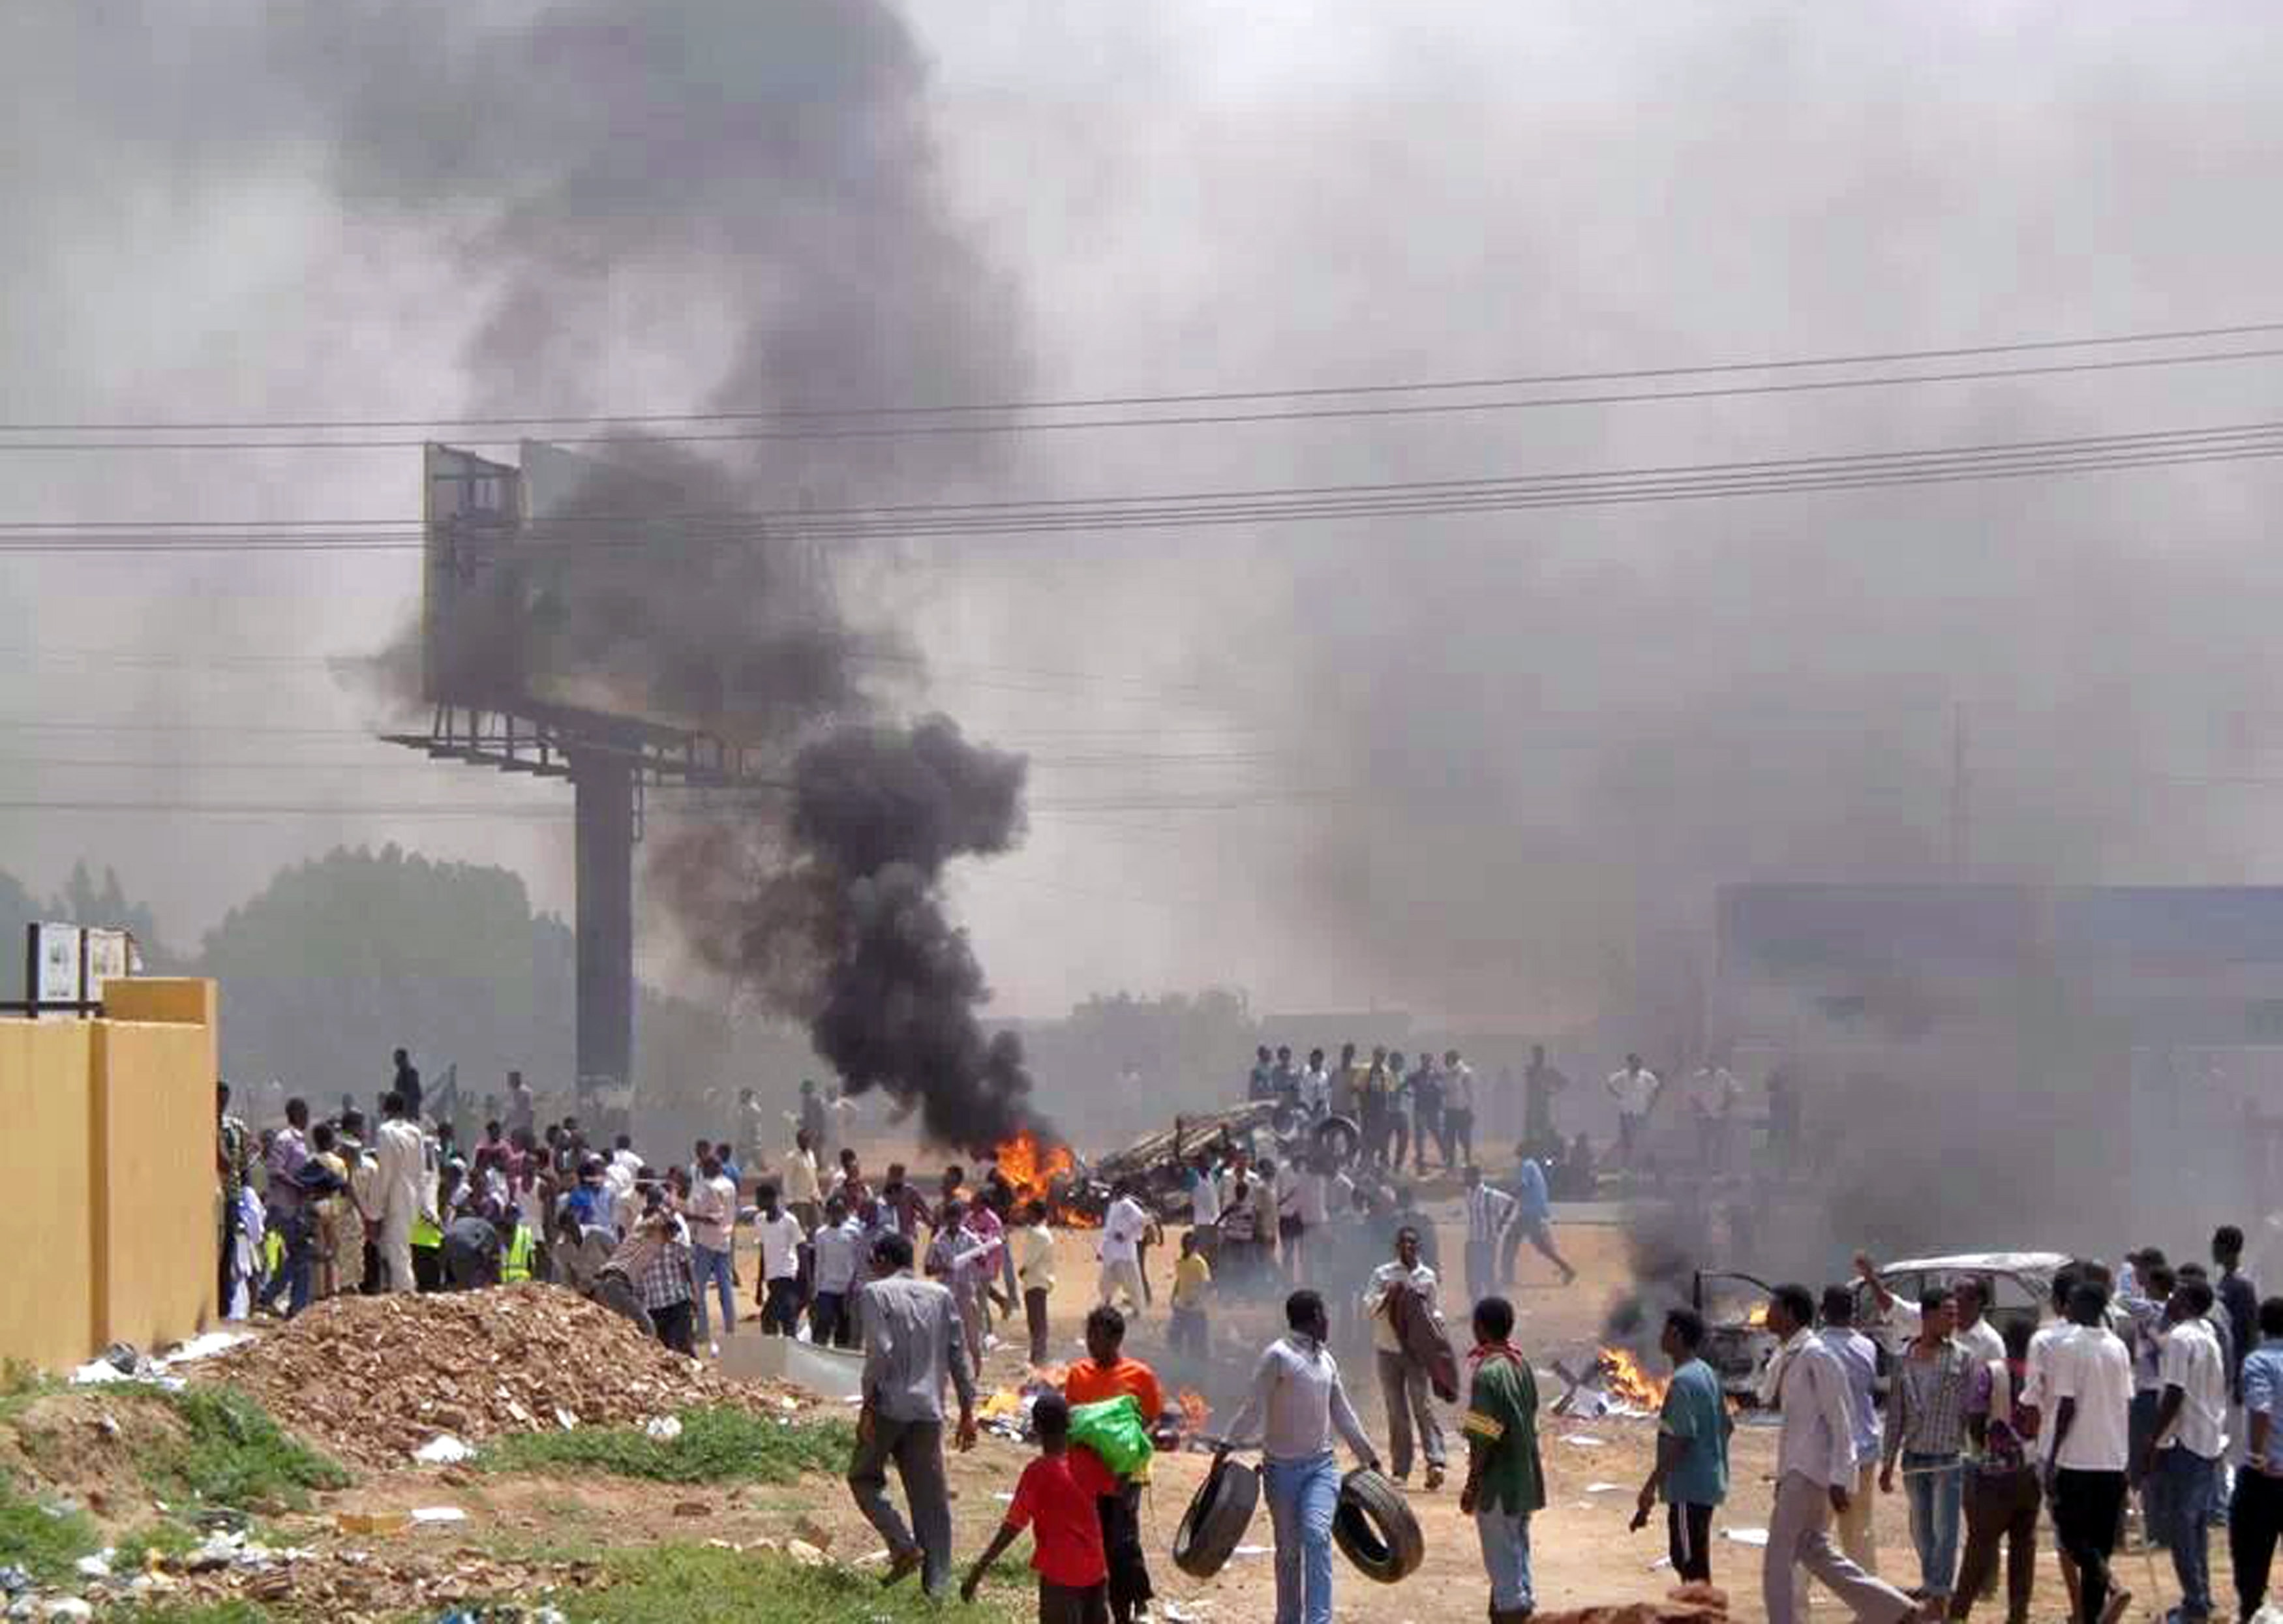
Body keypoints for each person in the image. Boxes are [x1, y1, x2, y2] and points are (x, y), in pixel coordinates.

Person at [1217, 1290, 1382, 1624]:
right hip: (1280, 1471)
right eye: (1325, 1315)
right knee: (1289, 1551)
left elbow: (1344, 1414)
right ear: (1314, 1318)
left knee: (1317, 1536)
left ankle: (1319, 1620)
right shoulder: (1277, 1357)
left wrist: (1369, 1457)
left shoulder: (1327, 1361)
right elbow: (1253, 1407)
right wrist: (1226, 1445)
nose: (1329, 1322)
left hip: (1321, 1467)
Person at [1760, 1282, 1919, 1624]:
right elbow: (1769, 1399)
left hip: (1811, 1473)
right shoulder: (1792, 1354)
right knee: (1815, 1552)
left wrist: (1840, 1476)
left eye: (1772, 1308)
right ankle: (1895, 1610)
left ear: (1789, 1313)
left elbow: (1841, 1418)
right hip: (1799, 1471)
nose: (1766, 1315)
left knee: (1778, 1561)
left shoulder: (1817, 1354)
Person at [850, 1232, 977, 1597]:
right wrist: (968, 1411)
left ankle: (903, 1546)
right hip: (929, 1411)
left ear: (885, 1261)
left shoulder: (875, 1293)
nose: (872, 1268)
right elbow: (958, 1356)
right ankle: (937, 1590)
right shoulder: (940, 1295)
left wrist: (868, 1405)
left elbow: (881, 1352)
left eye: (874, 1261)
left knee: (862, 1477)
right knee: (931, 1501)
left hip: (889, 1405)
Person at [961, 1391, 1117, 1622]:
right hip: (1096, 1570)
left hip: (1060, 1576)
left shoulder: (1038, 1473)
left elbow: (1013, 1525)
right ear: (1070, 1424)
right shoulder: (1088, 1461)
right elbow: (1117, 1489)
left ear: (1035, 1428)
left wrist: (979, 1568)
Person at [1065, 1307, 1164, 1624]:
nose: (1092, 1342)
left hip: (1126, 1472)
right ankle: (1118, 1602)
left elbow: (1150, 1420)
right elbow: (1075, 1422)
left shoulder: (1140, 1375)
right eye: (1089, 1335)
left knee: (1122, 1538)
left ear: (1116, 1339)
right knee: (1099, 1538)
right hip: (1088, 1474)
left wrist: (1131, 1454)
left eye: (1098, 1336)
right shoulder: (1077, 1375)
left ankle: (1133, 1603)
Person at [2046, 1279, 2134, 1624]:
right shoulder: (2118, 1348)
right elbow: (2123, 1404)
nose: (2068, 1308)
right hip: (2112, 1458)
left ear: (2085, 1307)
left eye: (2074, 1302)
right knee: (2100, 1542)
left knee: (2071, 1536)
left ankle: (2112, 1584)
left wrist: (2053, 1456)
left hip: (2077, 1459)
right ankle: (2093, 1616)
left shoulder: (2070, 1345)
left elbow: (2067, 1406)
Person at [1882, 1287, 1972, 1609]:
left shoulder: (1962, 1357)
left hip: (1947, 1457)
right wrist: (1888, 1461)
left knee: (1945, 1528)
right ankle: (1932, 1582)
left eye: (1955, 1315)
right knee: (1921, 1528)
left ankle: (1940, 1592)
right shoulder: (1904, 1359)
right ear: (1928, 1316)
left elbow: (1969, 1409)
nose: (1954, 1321)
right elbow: (1896, 1414)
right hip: (1915, 1456)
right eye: (1947, 1314)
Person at [2144, 1278, 2226, 1624]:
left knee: (2181, 1524)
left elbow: (2175, 1394)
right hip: (2209, 1439)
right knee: (2194, 1525)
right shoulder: (2208, 1333)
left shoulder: (2181, 1338)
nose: (2170, 1298)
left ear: (2187, 1303)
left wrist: (2153, 1440)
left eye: (2176, 1295)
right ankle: (2200, 1598)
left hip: (2187, 1442)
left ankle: (2195, 1605)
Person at [1951, 1316, 2039, 1624]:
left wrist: (1982, 1451)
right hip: (2031, 1471)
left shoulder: (1991, 1372)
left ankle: (1958, 1613)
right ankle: (2018, 1614)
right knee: (2023, 1547)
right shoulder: (2040, 1376)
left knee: (1979, 1545)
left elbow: (1976, 1420)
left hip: (1996, 1473)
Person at [1464, 1294, 1545, 1624]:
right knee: (1517, 1564)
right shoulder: (1520, 1364)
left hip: (1498, 1486)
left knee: (1505, 1574)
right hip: (1524, 1480)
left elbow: (1483, 1437)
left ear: (1480, 1328)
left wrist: (1472, 1485)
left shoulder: (1487, 1375)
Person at [1632, 1307, 1729, 1586]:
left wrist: (1650, 1486)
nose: (1660, 1337)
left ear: (1675, 1334)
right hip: (1707, 1482)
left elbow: (1681, 1439)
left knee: (1689, 1565)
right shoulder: (1707, 1374)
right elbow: (1727, 1426)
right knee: (1690, 1558)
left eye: (1664, 1330)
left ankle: (1701, 1616)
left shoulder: (1684, 1381)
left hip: (1689, 1488)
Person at [1364, 1225, 1449, 1490]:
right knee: (1397, 1411)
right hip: (1388, 1349)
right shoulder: (1382, 1274)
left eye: (1412, 1243)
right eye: (1403, 1243)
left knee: (1422, 1405)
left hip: (1416, 1352)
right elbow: (1369, 1306)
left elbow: (1434, 1311)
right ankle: (1401, 1469)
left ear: (1418, 1247)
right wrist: (1386, 1296)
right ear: (1396, 1247)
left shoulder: (1427, 1277)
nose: (1407, 1248)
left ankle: (1436, 1462)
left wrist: (1437, 1328)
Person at [1818, 1284, 1886, 1572]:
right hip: (1865, 1449)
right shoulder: (1867, 1346)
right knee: (1860, 1530)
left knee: (1813, 1531)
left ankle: (1796, 1608)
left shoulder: (1814, 1347)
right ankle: (1872, 1605)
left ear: (1823, 1312)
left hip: (1827, 1452)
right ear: (1853, 1312)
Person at [2231, 1294, 2283, 1621]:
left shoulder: (2259, 1361)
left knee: (2250, 1556)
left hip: (2267, 1476)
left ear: (2261, 1326)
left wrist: (2256, 1454)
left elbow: (2260, 1408)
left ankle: (2250, 1611)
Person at [259, 1096, 316, 1317]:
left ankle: (294, 1305)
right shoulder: (286, 1139)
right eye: (305, 1114)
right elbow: (275, 1170)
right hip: (284, 1207)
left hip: (295, 1207)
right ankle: (277, 1298)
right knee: (301, 1254)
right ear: (299, 1115)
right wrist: (298, 1186)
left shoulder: (300, 1141)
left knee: (299, 1256)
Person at [373, 1090, 427, 1294]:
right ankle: (401, 1291)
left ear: (386, 1110)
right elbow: (421, 1170)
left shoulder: (385, 1132)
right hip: (412, 1195)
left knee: (398, 1252)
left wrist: (376, 1210)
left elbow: (385, 1173)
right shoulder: (415, 1132)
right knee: (400, 1248)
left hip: (396, 1195)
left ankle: (405, 1295)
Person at [684, 1147, 738, 1344]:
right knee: (725, 1287)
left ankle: (704, 1331)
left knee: (699, 1287)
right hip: (725, 1241)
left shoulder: (708, 1187)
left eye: (704, 1167)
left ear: (710, 1168)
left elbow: (713, 1217)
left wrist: (691, 1217)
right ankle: (731, 1330)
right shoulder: (730, 1185)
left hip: (707, 1241)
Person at [1500, 1150, 1576, 1287]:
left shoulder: (1526, 1165)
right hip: (1533, 1212)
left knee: (1510, 1242)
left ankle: (1507, 1278)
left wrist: (1510, 1202)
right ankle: (1568, 1269)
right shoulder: (1533, 1165)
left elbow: (1522, 1185)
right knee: (1542, 1247)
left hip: (1529, 1213)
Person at [809, 1192, 866, 1350]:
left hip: (847, 1290)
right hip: (827, 1288)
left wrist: (855, 1286)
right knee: (824, 1323)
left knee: (844, 1328)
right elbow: (819, 1263)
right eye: (833, 1211)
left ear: (845, 1212)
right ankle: (819, 1355)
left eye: (840, 1211)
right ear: (828, 1213)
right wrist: (816, 1291)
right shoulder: (821, 1234)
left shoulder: (853, 1232)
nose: (837, 1215)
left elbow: (858, 1261)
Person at [752, 1182, 805, 1336]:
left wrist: (805, 1281)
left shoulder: (789, 1221)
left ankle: (789, 1353)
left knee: (782, 1319)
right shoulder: (760, 1220)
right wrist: (759, 1286)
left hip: (788, 1278)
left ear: (771, 1199)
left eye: (760, 1199)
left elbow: (802, 1249)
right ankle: (776, 1352)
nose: (757, 1203)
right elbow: (763, 1251)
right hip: (772, 1279)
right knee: (769, 1320)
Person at [1462, 1164, 1517, 1304]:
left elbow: (1511, 1202)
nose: (1465, 1179)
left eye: (1467, 1176)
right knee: (1471, 1277)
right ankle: (1476, 1306)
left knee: (1487, 1275)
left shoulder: (1490, 1195)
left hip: (1487, 1241)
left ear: (1476, 1177)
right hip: (1472, 1240)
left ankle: (1495, 1305)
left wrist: (1501, 1224)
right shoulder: (1469, 1193)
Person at [1098, 1181, 1153, 1314]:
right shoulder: (1113, 1206)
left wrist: (1125, 1233)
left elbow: (1144, 1219)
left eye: (1115, 1189)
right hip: (1111, 1253)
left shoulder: (1127, 1205)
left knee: (1132, 1285)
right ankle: (1105, 1308)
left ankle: (1139, 1311)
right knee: (1106, 1284)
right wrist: (1101, 1250)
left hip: (1125, 1254)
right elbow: (1108, 1230)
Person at [1014, 1198, 1057, 1365]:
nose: (1025, 1215)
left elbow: (1031, 1259)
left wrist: (1023, 1269)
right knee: (1036, 1322)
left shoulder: (1038, 1233)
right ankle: (1037, 1355)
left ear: (1034, 1214)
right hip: (1037, 1281)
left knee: (1037, 1322)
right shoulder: (1040, 1231)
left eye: (1028, 1212)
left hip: (1036, 1281)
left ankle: (1039, 1357)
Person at [1685, 1056, 1741, 1174]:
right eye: (1709, 1063)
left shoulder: (1724, 1075)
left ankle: (1717, 1166)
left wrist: (1727, 1104)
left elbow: (1736, 1091)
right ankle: (1703, 1166)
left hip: (1719, 1115)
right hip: (1703, 1116)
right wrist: (1699, 1107)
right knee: (1703, 1142)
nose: (1711, 1066)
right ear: (1706, 1064)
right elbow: (1692, 1095)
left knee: (1719, 1142)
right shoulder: (1699, 1076)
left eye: (1714, 1063)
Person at [1605, 1053, 1658, 1169]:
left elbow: (1656, 1086)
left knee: (1642, 1138)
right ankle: (1626, 1165)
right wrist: (1618, 1095)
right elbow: (1609, 1083)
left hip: (1641, 1112)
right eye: (1635, 1062)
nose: (1637, 1064)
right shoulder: (1623, 1075)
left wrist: (1650, 1100)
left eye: (1639, 1062)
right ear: (1629, 1063)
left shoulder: (1645, 1076)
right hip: (1627, 1112)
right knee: (1627, 1140)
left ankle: (1647, 1164)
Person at [1169, 1229, 1211, 1361]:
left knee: (1197, 1341)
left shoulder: (1199, 1262)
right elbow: (1180, 1279)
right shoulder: (1180, 1261)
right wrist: (1173, 1295)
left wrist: (1196, 1299)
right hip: (1181, 1306)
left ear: (1195, 1246)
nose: (1187, 1246)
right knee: (1175, 1337)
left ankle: (1198, 1369)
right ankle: (1181, 1364)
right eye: (1185, 1244)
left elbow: (1206, 1284)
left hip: (1197, 1309)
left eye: (1190, 1244)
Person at [1522, 1044, 1568, 1156]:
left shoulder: (1547, 1070)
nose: (1537, 1057)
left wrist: (1552, 1092)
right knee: (1530, 1135)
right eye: (1536, 1055)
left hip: (1542, 1108)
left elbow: (1564, 1082)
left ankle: (1543, 1156)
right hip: (1532, 1108)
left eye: (1539, 1055)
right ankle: (1531, 1155)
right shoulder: (1531, 1070)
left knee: (1543, 1135)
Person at [442, 1210, 502, 1289]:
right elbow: (494, 1260)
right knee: (473, 1283)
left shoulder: (461, 1222)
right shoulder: (489, 1228)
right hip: (467, 1249)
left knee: (459, 1278)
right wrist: (498, 1282)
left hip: (449, 1246)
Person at [1408, 1052, 1444, 1175]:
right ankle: (1420, 1160)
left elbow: (1443, 1090)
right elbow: (1405, 1086)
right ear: (1422, 1062)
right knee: (1420, 1136)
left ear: (1431, 1061)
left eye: (1429, 1061)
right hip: (1420, 1109)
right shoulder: (1416, 1076)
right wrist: (1409, 1093)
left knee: (1437, 1133)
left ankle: (1447, 1156)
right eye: (1425, 1061)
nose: (1427, 1063)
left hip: (1432, 1110)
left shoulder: (1437, 1075)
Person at [1442, 1049, 1477, 1169]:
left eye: (1447, 1059)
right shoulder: (1446, 1073)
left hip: (1463, 1110)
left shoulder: (1466, 1072)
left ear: (1453, 1059)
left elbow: (1471, 1093)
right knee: (1450, 1137)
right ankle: (1451, 1162)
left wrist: (1471, 1110)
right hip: (1450, 1110)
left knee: (1464, 1137)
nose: (1445, 1062)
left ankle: (1467, 1159)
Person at [1299, 1048, 1332, 1119]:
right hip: (1306, 1113)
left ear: (1321, 1061)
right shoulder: (1307, 1075)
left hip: (1318, 1114)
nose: (1312, 1063)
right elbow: (1303, 1096)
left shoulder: (1323, 1077)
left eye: (1315, 1061)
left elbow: (1321, 1099)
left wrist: (1313, 1114)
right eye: (1311, 1060)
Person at [392, 1047, 422, 1123]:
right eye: (396, 1060)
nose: (397, 1062)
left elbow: (413, 1094)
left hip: (409, 1112)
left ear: (404, 1059)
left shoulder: (410, 1073)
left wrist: (409, 1112)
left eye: (399, 1060)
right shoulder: (400, 1074)